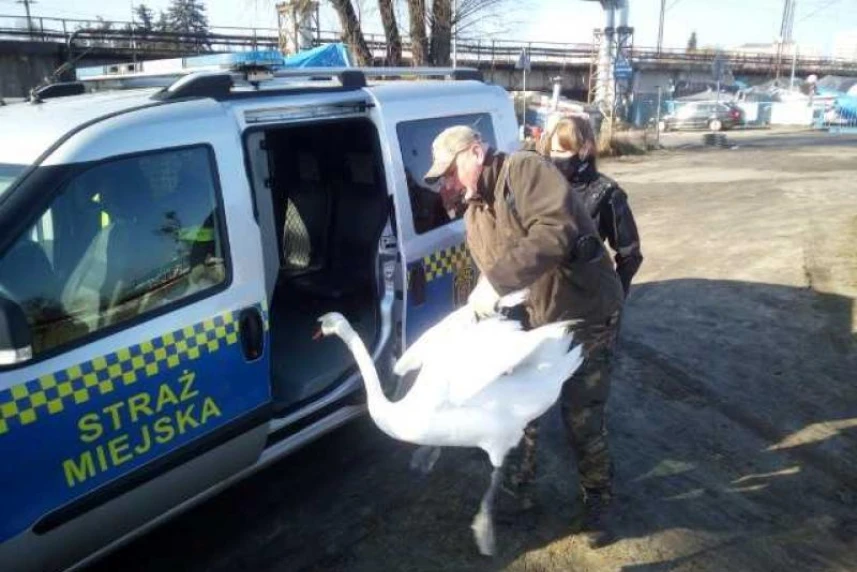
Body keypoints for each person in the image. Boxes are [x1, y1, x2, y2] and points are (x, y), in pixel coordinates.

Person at [424, 125, 625, 544]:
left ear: (476, 153)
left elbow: (555, 232)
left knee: (581, 413)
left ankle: (598, 497)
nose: (446, 180)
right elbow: (494, 274)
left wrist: (495, 282)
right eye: (440, 176)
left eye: (450, 169)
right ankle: (519, 493)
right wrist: (482, 313)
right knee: (521, 412)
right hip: (535, 322)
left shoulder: (525, 170)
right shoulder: (476, 212)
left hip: (582, 315)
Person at [537, 114, 643, 297]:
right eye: (552, 152)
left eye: (562, 152)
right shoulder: (542, 187)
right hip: (543, 298)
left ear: (584, 150)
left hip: (585, 298)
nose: (555, 159)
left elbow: (630, 254)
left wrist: (614, 294)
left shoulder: (607, 194)